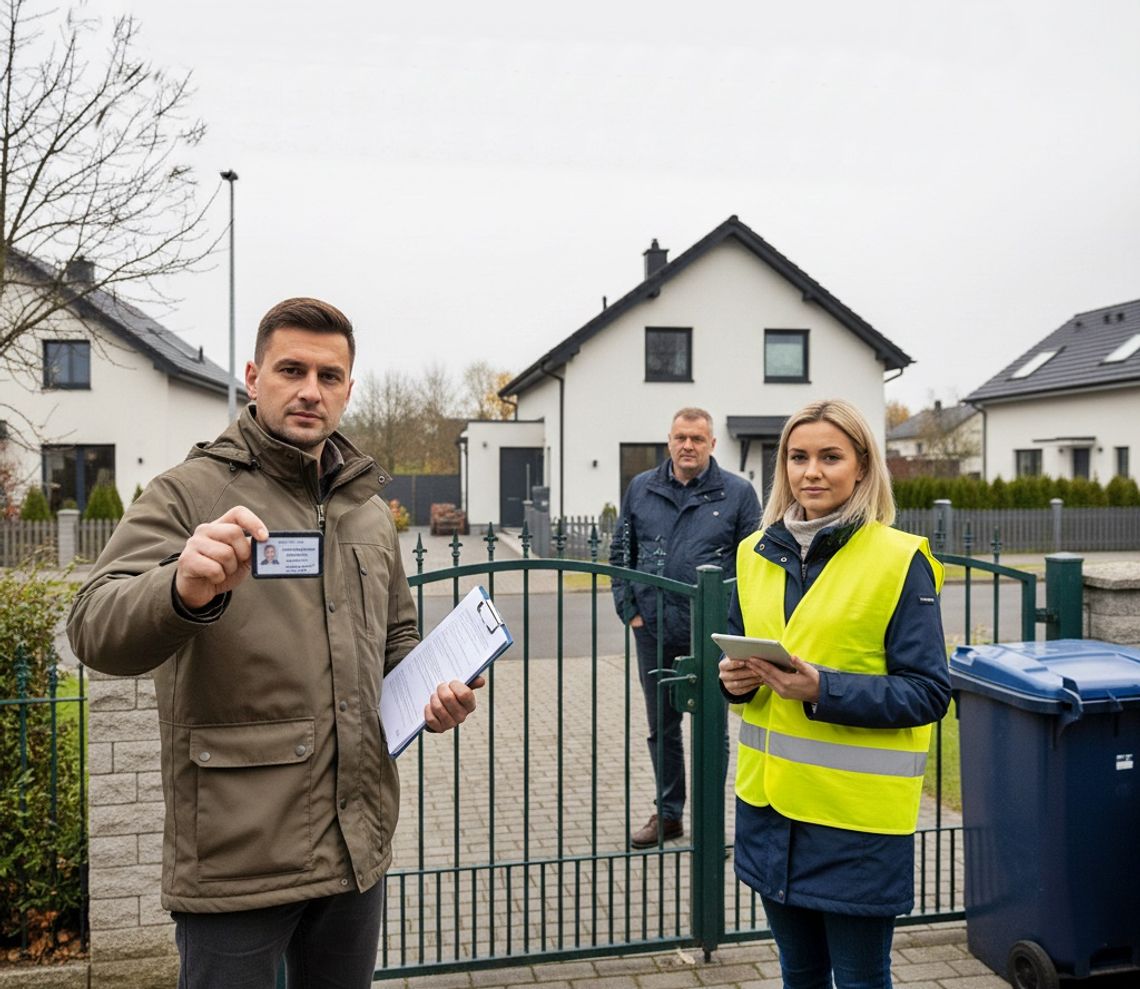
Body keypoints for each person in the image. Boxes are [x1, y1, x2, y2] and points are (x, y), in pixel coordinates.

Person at [67, 298, 483, 989]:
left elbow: (397, 639)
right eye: (292, 369)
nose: (310, 390)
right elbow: (92, 623)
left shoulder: (369, 510)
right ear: (255, 376)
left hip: (354, 851)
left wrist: (436, 690)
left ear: (350, 390)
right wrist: (179, 587)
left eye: (329, 375)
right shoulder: (189, 492)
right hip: (238, 862)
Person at [718, 398, 950, 989]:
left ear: (863, 468)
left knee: (861, 979)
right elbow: (747, 672)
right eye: (798, 457)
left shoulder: (899, 560)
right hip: (770, 814)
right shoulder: (753, 554)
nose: (811, 472)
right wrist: (737, 684)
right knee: (799, 974)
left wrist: (824, 689)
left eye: (830, 457)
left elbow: (928, 693)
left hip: (857, 827)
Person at [610, 407, 761, 849]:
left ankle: (711, 820)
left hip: (711, 632)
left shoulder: (737, 493)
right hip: (653, 629)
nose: (687, 445)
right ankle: (669, 814)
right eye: (680, 437)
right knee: (663, 725)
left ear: (712, 444)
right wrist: (630, 610)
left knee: (712, 726)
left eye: (697, 438)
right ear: (669, 441)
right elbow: (621, 551)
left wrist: (736, 621)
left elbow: (754, 564)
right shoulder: (642, 488)